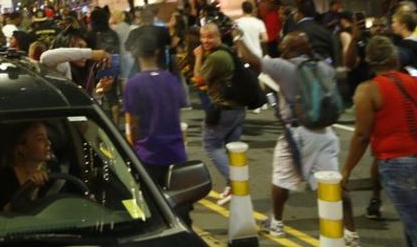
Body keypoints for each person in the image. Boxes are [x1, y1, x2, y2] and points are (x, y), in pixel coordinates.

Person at [237, 31, 361, 246]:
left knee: (281, 179)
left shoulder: (284, 67)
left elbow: (252, 61)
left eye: (284, 47)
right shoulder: (322, 66)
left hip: (297, 134)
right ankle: (350, 232)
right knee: (334, 184)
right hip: (325, 133)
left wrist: (238, 39)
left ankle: (276, 222)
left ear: (290, 49)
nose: (282, 50)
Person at [342, 35, 417, 244]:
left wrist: (347, 169)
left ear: (369, 60)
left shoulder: (368, 90)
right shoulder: (413, 82)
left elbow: (362, 135)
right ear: (396, 59)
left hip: (397, 161)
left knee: (413, 222)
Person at [124, 33, 191, 224]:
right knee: (181, 209)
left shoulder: (133, 84)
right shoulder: (171, 79)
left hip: (148, 155)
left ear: (136, 54)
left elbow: (132, 125)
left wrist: (133, 151)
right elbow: (177, 116)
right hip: (176, 154)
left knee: (153, 211)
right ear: (157, 52)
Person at [192, 22, 245, 206]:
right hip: (237, 109)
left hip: (223, 109)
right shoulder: (227, 51)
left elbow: (198, 81)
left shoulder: (216, 57)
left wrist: (198, 57)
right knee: (232, 148)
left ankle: (235, 183)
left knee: (211, 145)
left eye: (209, 36)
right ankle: (236, 187)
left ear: (218, 36)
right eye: (203, 36)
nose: (205, 40)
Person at [0, 121, 52, 212]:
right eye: (40, 139)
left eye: (47, 138)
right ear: (22, 148)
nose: (48, 143)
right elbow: (5, 214)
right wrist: (28, 190)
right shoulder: (5, 178)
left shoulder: (54, 173)